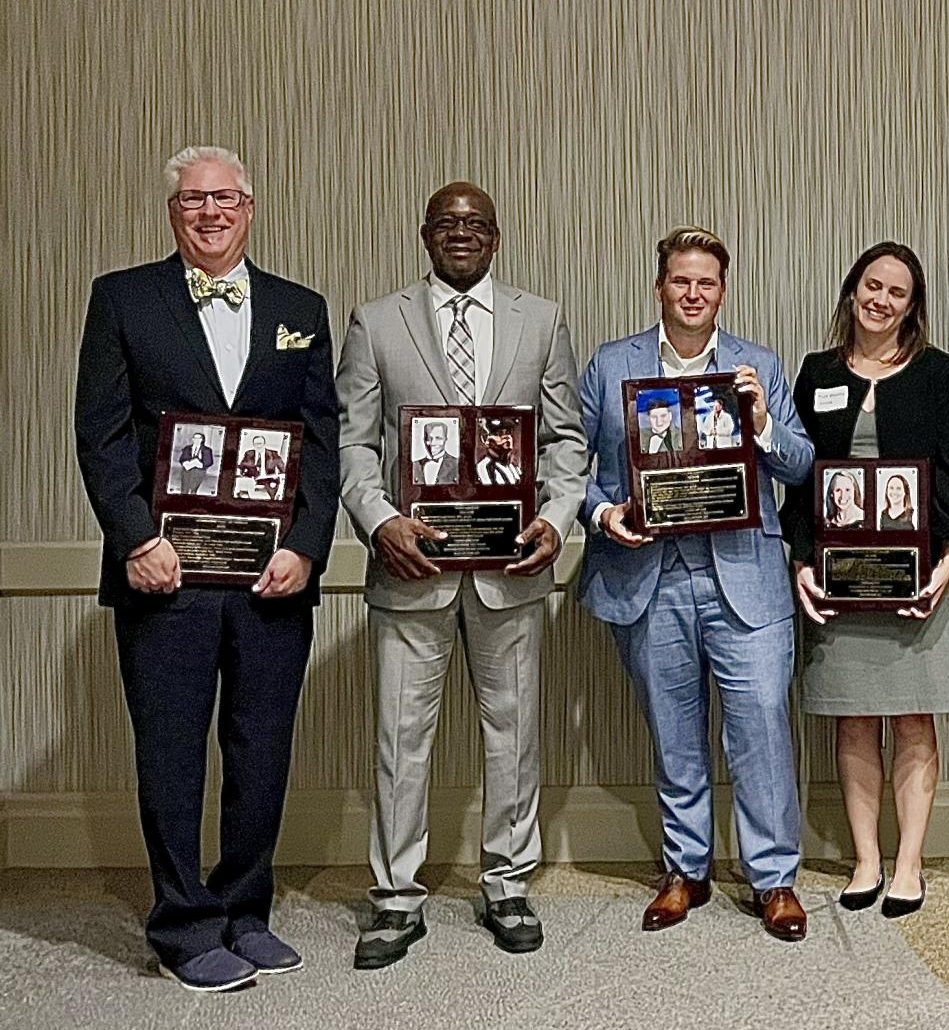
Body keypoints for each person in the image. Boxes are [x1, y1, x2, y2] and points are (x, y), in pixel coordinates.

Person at [73, 145, 336, 991]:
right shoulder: (122, 299)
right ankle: (183, 926)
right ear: (173, 212)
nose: (210, 212)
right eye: (193, 200)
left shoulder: (301, 308)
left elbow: (322, 445)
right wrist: (135, 540)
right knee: (172, 752)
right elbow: (102, 433)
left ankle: (243, 909)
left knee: (262, 752)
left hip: (272, 579)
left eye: (224, 198)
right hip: (165, 575)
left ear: (250, 208)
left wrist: (304, 544)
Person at [336, 181, 588, 968]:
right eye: (446, 223)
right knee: (399, 739)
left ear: (497, 235)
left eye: (475, 223)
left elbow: (566, 441)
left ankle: (507, 882)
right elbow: (352, 443)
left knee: (513, 735)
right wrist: (381, 523)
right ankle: (395, 899)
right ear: (424, 234)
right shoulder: (376, 322)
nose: (461, 234)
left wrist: (556, 516)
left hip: (510, 570)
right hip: (411, 570)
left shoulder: (540, 320)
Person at [578, 226, 816, 940]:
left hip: (744, 578)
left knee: (761, 730)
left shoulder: (758, 366)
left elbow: (801, 465)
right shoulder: (610, 364)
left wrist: (764, 424)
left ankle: (773, 878)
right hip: (648, 577)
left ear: (722, 291)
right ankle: (686, 868)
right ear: (660, 288)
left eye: (706, 282)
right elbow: (570, 462)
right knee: (674, 732)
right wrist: (602, 511)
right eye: (680, 281)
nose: (692, 294)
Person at [781, 241, 949, 919]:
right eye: (872, 285)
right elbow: (800, 478)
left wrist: (948, 562)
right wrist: (802, 562)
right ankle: (866, 859)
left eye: (897, 292)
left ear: (912, 306)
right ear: (851, 290)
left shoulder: (936, 373)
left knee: (913, 719)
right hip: (837, 584)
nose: (881, 300)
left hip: (918, 579)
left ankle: (908, 864)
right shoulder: (815, 373)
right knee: (853, 719)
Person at [474, 420, 524, 485]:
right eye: (499, 433)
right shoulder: (483, 467)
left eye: (508, 432)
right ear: (485, 439)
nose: (507, 437)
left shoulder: (515, 469)